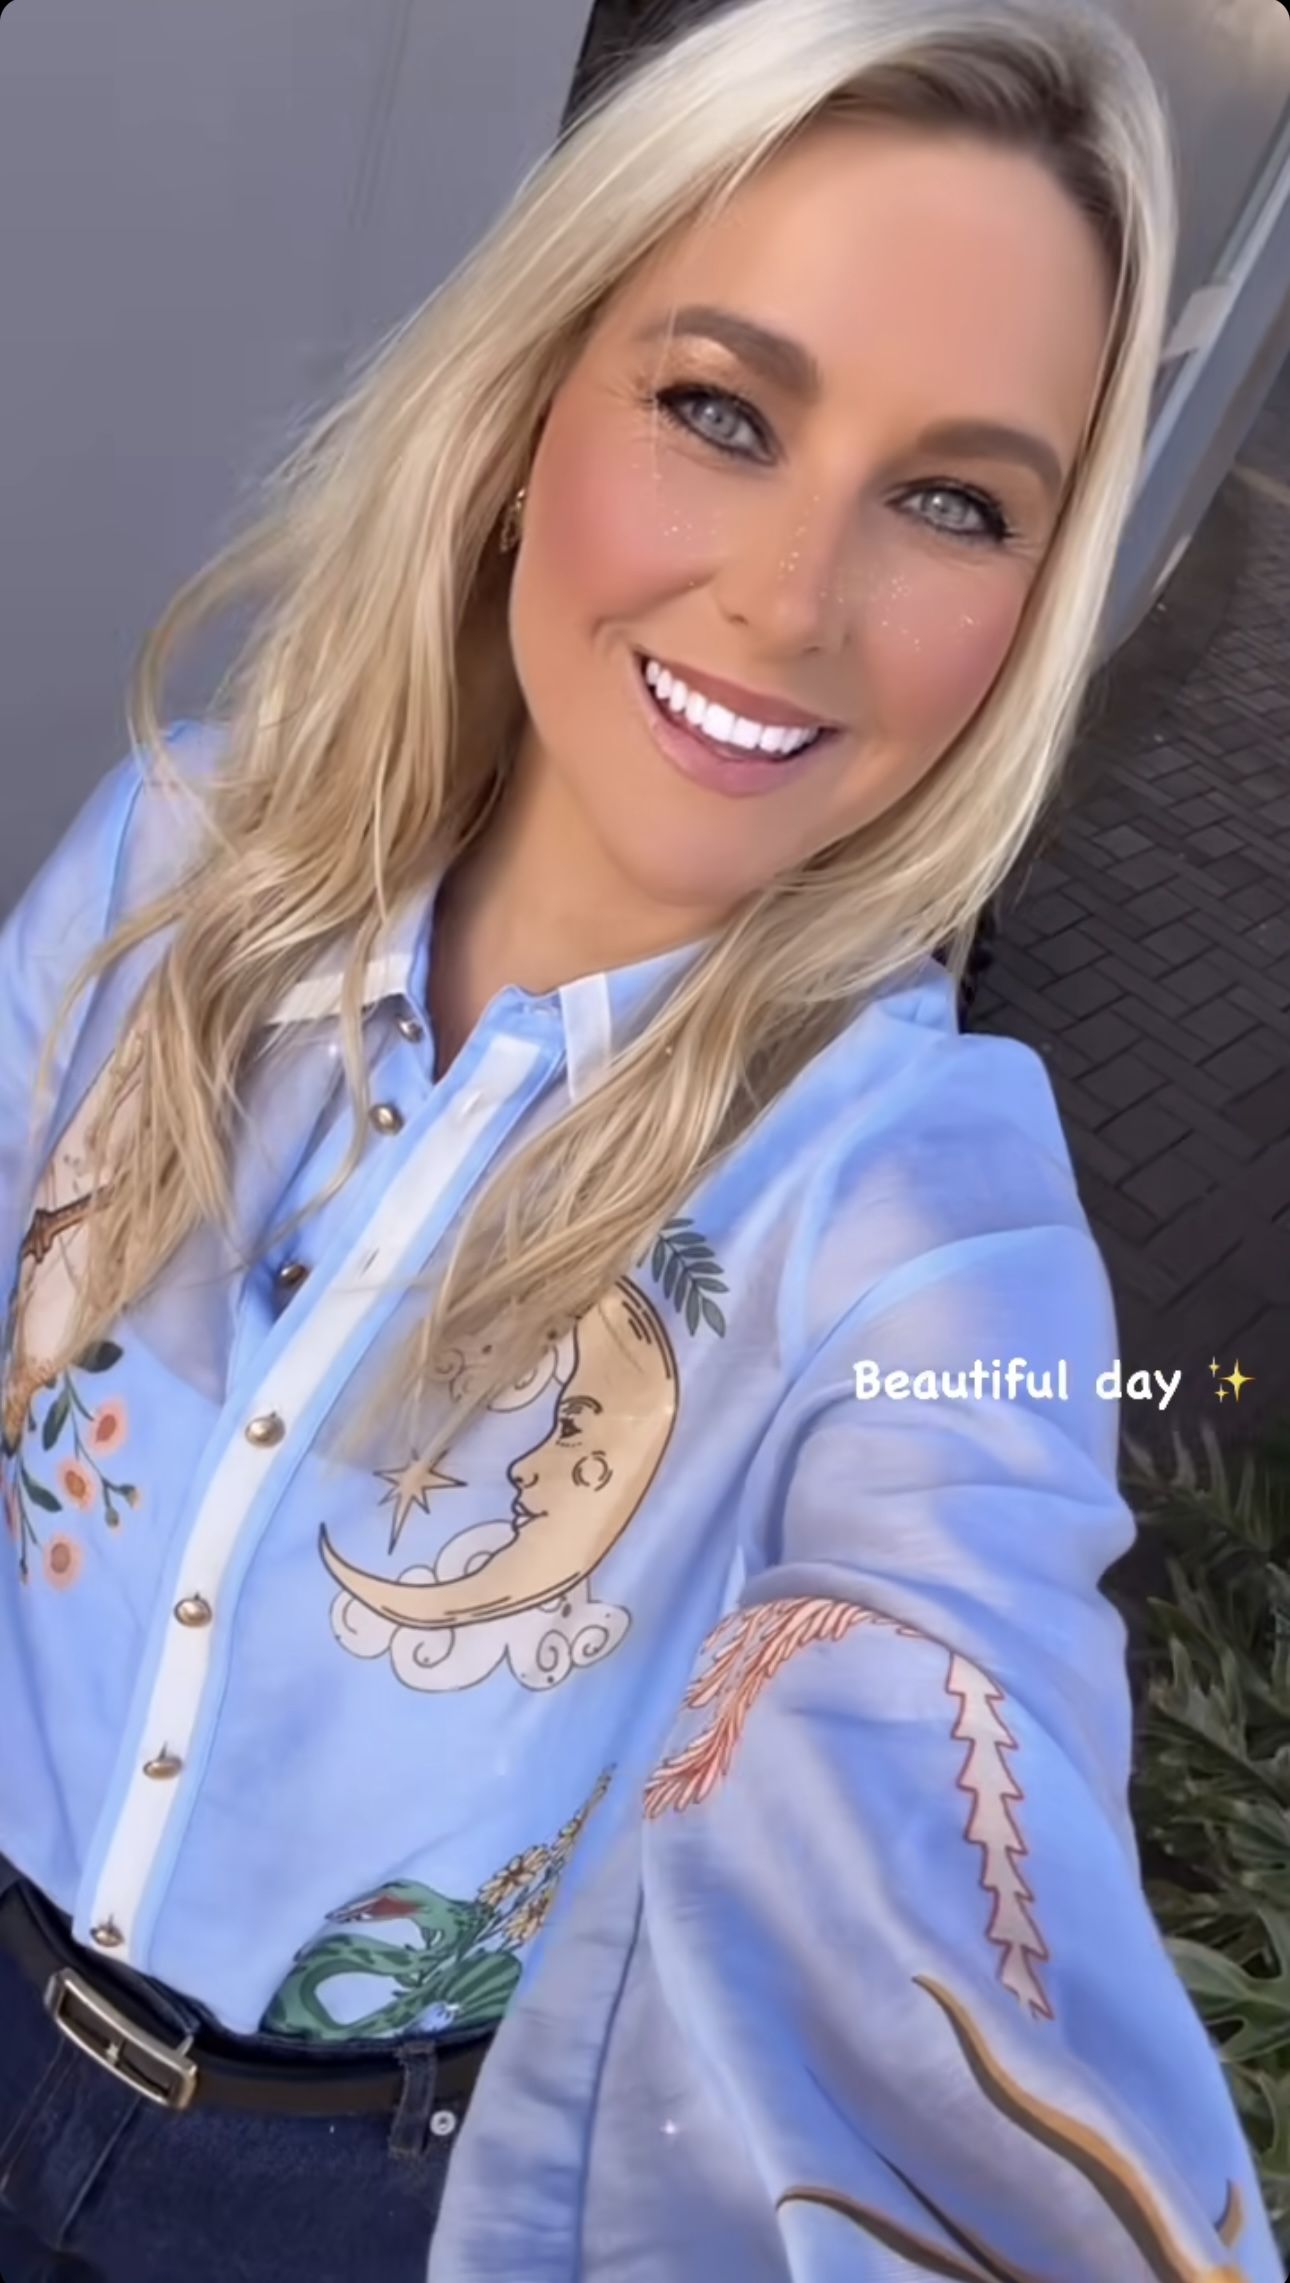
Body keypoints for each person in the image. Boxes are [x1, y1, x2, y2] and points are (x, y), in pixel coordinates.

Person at [0, 0, 1280, 2274]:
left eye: (954, 500)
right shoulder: (173, 857)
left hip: (334, 2205)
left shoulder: (916, 1208)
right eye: (719, 409)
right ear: (528, 406)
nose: (791, 599)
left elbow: (966, 1716)